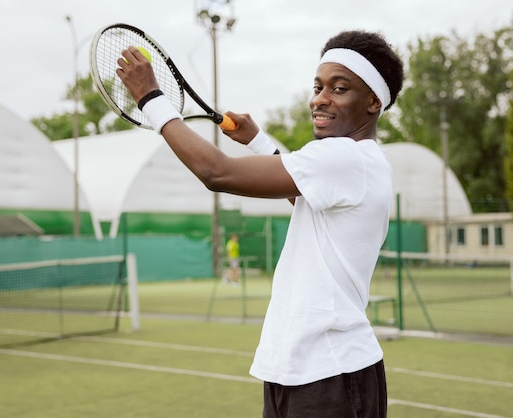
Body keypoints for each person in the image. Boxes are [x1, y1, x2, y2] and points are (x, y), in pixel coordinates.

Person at [117, 29, 403, 418]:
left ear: (373, 102)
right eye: (318, 86)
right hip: (303, 369)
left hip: (331, 373)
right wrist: (258, 141)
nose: (320, 99)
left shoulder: (345, 157)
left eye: (339, 89)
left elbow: (216, 173)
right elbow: (301, 192)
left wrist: (151, 99)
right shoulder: (358, 163)